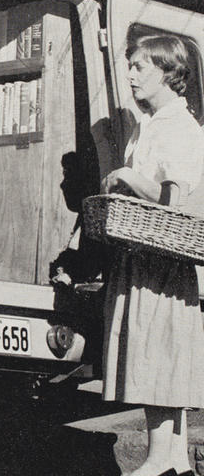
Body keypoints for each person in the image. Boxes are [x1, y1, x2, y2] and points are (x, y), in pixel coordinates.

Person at [100, 33, 204, 476]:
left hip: (162, 261)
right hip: (146, 257)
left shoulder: (179, 127)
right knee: (158, 354)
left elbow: (173, 196)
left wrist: (124, 175)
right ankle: (173, 458)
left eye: (140, 67)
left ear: (169, 73)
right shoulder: (153, 124)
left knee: (157, 355)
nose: (131, 75)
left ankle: (160, 459)